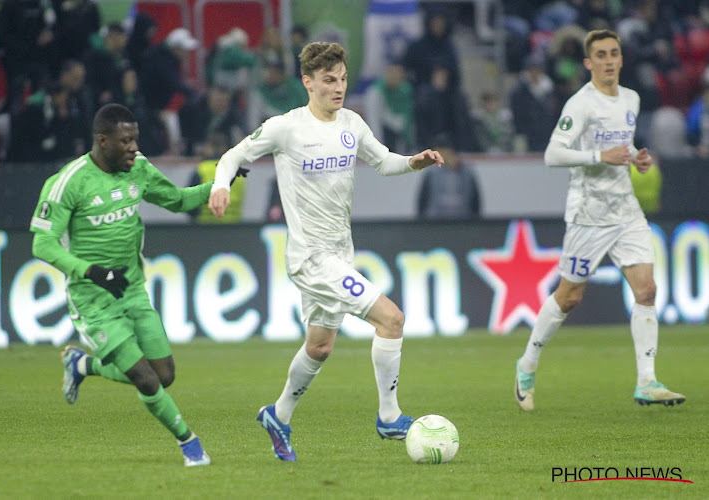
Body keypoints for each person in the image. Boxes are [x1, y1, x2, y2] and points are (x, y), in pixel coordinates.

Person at [208, 42, 443, 461]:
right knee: (391, 319)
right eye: (330, 80)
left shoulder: (351, 122)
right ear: (308, 82)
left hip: (340, 252)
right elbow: (233, 156)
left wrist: (415, 162)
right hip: (310, 257)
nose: (339, 88)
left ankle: (278, 415)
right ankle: (389, 416)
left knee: (320, 347)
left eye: (343, 79)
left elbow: (384, 161)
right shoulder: (286, 128)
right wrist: (221, 186)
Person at [29, 103, 243, 466]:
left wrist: (221, 183)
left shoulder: (138, 169)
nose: (133, 147)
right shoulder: (69, 181)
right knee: (145, 379)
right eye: (125, 141)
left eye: (135, 139)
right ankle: (190, 445)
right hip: (94, 300)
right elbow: (43, 244)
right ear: (102, 141)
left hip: (132, 291)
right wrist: (92, 272)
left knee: (164, 375)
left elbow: (177, 200)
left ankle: (83, 366)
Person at [514, 29, 685, 411]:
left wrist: (637, 156)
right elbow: (552, 155)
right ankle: (527, 364)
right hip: (588, 215)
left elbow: (621, 146)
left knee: (647, 291)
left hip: (625, 210)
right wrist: (598, 157)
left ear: (622, 59)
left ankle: (647, 381)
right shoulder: (581, 104)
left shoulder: (632, 99)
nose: (609, 61)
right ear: (589, 63)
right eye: (601, 55)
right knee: (569, 297)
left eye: (614, 54)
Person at [416, 137, 481, 220]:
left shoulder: (467, 173)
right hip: (435, 221)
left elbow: (475, 200)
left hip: (463, 220)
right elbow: (423, 199)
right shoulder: (431, 173)